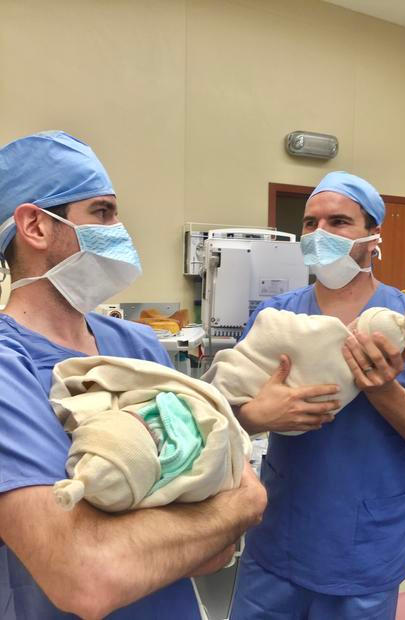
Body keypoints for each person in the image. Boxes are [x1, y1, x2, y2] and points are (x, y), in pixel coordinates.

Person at [0, 130, 267, 620]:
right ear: (35, 226)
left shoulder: (137, 344)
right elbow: (86, 576)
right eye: (102, 213)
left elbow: (224, 523)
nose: (120, 230)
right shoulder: (8, 364)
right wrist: (231, 510)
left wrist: (144, 539)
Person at [230, 171, 405, 620]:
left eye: (338, 222)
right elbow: (223, 414)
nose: (320, 234)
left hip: (366, 549)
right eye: (310, 223)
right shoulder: (276, 317)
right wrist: (258, 415)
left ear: (373, 236)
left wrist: (385, 391)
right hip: (278, 538)